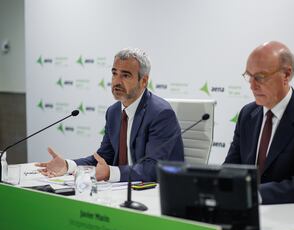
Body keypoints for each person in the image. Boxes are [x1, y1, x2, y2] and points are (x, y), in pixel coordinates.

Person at [36, 48, 184, 182]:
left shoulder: (161, 114)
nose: (117, 81)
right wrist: (69, 165)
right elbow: (103, 157)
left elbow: (153, 169)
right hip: (123, 190)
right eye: (114, 73)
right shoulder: (113, 112)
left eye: (125, 75)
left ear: (143, 81)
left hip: (156, 194)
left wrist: (110, 173)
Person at [224, 41, 294, 206]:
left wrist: (252, 194)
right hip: (253, 211)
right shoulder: (247, 114)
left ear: (286, 75)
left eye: (260, 77)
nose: (252, 86)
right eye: (249, 76)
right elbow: (231, 167)